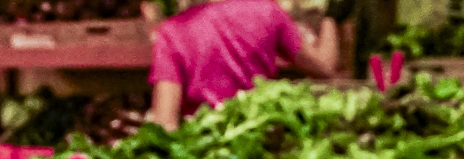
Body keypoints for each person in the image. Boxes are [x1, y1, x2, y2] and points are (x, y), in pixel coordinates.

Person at [148, 0, 349, 131]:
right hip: (260, 140)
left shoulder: (171, 33)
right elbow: (325, 66)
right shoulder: (268, 12)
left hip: (203, 147)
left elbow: (165, 123)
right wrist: (331, 17)